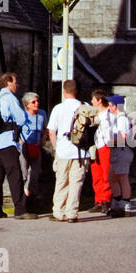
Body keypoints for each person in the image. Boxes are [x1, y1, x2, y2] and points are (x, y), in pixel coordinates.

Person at [0, 72, 35, 219]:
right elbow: (21, 119)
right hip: (7, 142)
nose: (17, 85)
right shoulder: (9, 98)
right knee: (15, 176)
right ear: (8, 82)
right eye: (15, 82)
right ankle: (20, 210)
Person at [45, 79, 91, 222]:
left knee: (61, 182)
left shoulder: (58, 108)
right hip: (81, 151)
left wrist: (55, 148)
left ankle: (59, 212)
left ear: (64, 92)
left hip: (63, 151)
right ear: (76, 91)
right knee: (76, 184)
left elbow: (51, 132)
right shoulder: (85, 107)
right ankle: (72, 213)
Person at [103, 95, 134, 217]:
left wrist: (110, 141)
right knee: (112, 178)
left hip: (122, 150)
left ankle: (125, 205)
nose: (108, 107)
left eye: (110, 105)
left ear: (115, 106)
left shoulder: (122, 119)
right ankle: (117, 202)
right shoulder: (117, 118)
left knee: (123, 178)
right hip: (118, 151)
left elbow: (123, 137)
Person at [17, 91, 46, 206]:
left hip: (36, 146)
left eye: (37, 101)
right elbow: (16, 130)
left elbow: (45, 129)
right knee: (23, 172)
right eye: (33, 102)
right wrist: (20, 142)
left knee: (34, 172)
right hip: (24, 146)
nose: (36, 103)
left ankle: (31, 198)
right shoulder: (22, 115)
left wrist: (43, 140)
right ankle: (23, 197)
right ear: (27, 104)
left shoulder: (42, 114)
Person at [88, 88, 113, 212]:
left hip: (106, 146)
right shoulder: (94, 114)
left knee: (106, 174)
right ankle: (98, 200)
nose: (91, 101)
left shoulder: (110, 114)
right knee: (96, 175)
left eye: (93, 99)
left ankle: (106, 200)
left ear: (98, 100)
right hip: (96, 147)